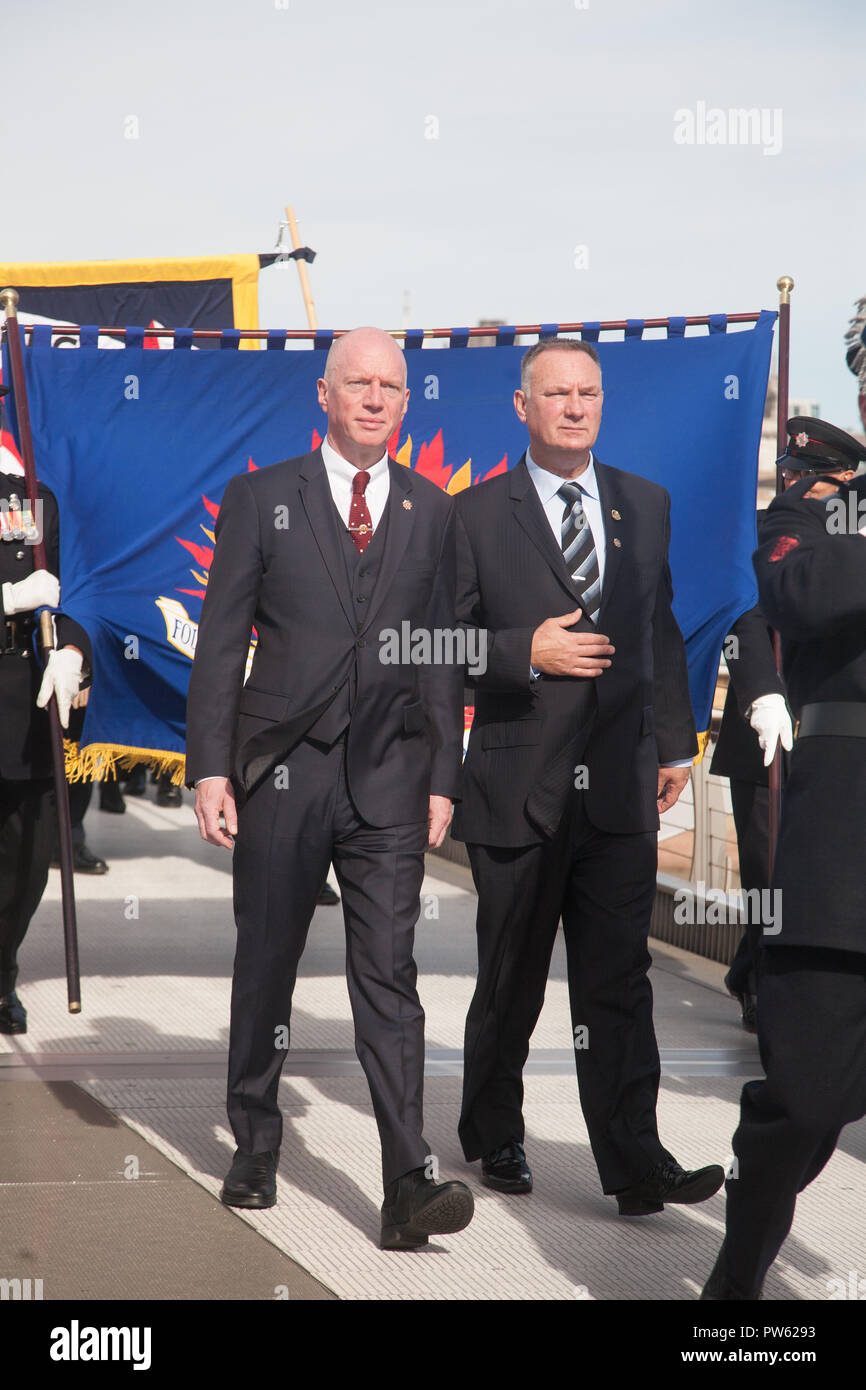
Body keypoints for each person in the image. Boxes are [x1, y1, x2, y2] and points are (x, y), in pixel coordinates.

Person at [185, 327, 474, 1250]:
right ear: (324, 393)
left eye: (392, 385)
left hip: (388, 777)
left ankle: (406, 1180)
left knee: (389, 977)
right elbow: (223, 642)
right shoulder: (263, 498)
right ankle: (256, 1142)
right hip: (282, 771)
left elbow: (438, 654)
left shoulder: (434, 512)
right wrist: (211, 765)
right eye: (360, 382)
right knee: (267, 960)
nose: (377, 398)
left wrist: (441, 778)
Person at [452, 337, 724, 1214]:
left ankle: (636, 1165)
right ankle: (494, 1134)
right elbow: (429, 649)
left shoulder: (645, 504)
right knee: (512, 979)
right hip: (516, 787)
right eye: (556, 394)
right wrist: (519, 651)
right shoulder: (475, 514)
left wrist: (676, 745)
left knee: (618, 985)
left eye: (588, 394)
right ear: (522, 409)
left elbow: (660, 628)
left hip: (618, 788)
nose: (574, 407)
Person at [702, 417, 866, 1300]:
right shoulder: (823, 519)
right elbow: (792, 595)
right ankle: (737, 1285)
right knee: (805, 1101)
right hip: (845, 852)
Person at [1, 385, 92, 1032]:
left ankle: (1, 969)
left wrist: (72, 651)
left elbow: (78, 590)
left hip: (18, 696)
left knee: (29, 857)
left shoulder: (30, 496)